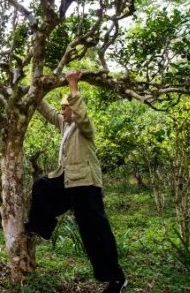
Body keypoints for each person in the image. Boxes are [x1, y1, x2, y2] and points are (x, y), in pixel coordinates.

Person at [25, 70, 127, 293]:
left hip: (86, 185)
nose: (62, 111)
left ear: (74, 108)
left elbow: (81, 114)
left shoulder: (84, 127)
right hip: (68, 182)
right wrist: (34, 93)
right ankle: (42, 227)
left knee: (95, 234)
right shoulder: (65, 125)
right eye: (62, 108)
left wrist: (73, 84)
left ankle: (116, 278)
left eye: (66, 107)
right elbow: (49, 112)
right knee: (42, 185)